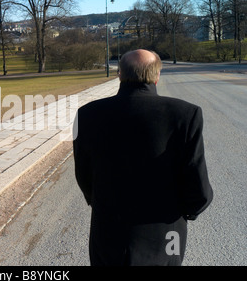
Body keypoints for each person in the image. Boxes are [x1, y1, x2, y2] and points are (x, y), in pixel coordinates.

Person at [73, 49, 213, 266]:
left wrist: (102, 201)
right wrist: (188, 212)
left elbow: (84, 175)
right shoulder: (185, 115)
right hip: (166, 234)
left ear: (120, 74)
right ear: (157, 77)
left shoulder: (87, 114)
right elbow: (197, 182)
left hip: (108, 230)